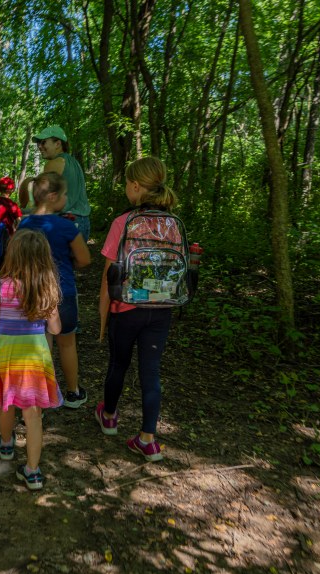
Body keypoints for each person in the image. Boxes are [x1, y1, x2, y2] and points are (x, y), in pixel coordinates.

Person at [96, 156, 179, 461]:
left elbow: (109, 277)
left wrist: (103, 319)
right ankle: (148, 438)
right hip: (161, 307)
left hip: (127, 306)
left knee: (118, 364)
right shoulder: (172, 224)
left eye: (126, 184)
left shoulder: (124, 223)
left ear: (134, 186)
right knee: (151, 372)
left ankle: (109, 417)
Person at [0, 230, 63, 490]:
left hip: (7, 353)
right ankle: (33, 471)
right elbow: (57, 329)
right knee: (33, 413)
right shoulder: (46, 288)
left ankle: (6, 445)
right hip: (35, 356)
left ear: (12, 255)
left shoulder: (0, 286)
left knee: (7, 402)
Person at [18, 172, 91, 408]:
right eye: (64, 194)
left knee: (41, 342)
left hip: (34, 292)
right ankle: (73, 392)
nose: (66, 198)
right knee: (67, 343)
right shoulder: (66, 226)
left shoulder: (24, 224)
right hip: (63, 292)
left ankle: (41, 395)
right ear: (52, 196)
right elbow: (84, 259)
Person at [19, 126, 91, 239]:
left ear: (58, 143)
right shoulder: (74, 162)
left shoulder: (54, 163)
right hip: (83, 222)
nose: (40, 146)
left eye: (43, 142)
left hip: (66, 221)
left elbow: (42, 200)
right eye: (38, 143)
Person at [0, 176, 23, 280]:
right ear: (11, 190)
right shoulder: (13, 205)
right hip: (9, 238)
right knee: (8, 263)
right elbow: (20, 222)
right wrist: (15, 232)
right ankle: (7, 288)